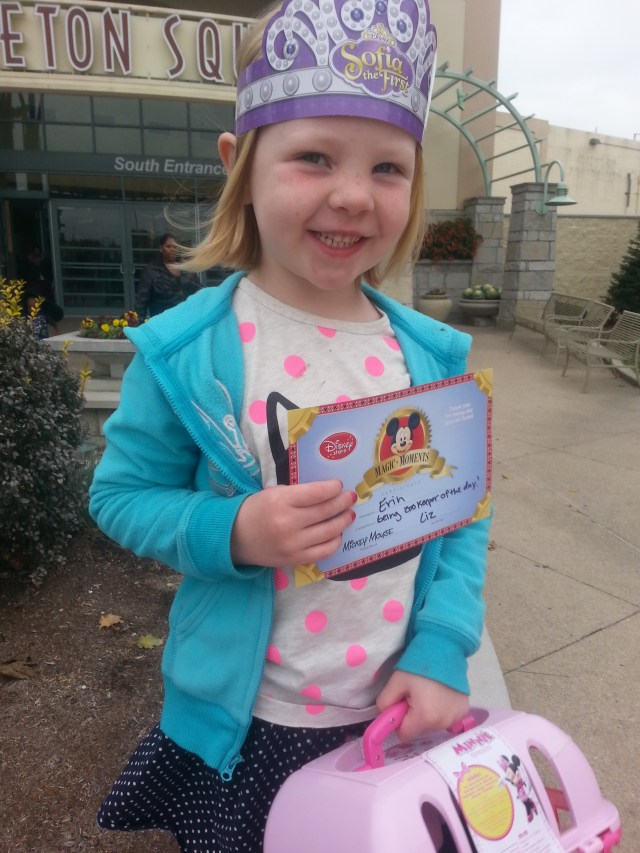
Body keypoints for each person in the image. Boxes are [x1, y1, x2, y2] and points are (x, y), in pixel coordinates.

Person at [89, 1, 492, 849]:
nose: (353, 195)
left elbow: (462, 517)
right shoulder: (189, 352)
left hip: (391, 711)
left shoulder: (429, 356)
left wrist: (444, 647)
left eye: (388, 169)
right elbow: (122, 494)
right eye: (314, 157)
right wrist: (231, 528)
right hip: (250, 723)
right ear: (240, 161)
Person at [135, 232, 201, 318]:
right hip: (162, 320)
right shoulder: (151, 271)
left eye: (175, 247)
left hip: (186, 319)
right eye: (168, 246)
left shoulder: (187, 268)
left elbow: (199, 291)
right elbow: (141, 300)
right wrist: (138, 325)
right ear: (161, 248)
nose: (172, 249)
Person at [22, 245, 63, 334]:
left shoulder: (43, 315)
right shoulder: (25, 317)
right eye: (30, 308)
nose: (32, 310)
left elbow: (54, 322)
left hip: (43, 342)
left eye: (35, 307)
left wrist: (57, 332)